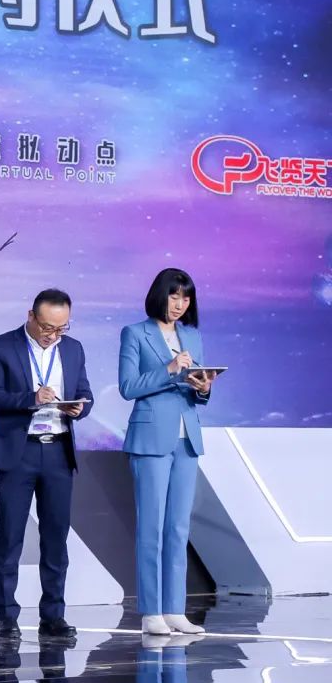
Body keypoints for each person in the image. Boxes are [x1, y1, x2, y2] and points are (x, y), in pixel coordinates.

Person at [0, 289, 93, 641]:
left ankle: (53, 615)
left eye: (61, 328)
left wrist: (80, 407)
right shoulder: (2, 345)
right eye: (47, 327)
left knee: (56, 537)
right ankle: (7, 617)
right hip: (19, 451)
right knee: (10, 536)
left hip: (58, 450)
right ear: (31, 316)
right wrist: (31, 398)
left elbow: (86, 392)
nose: (53, 335)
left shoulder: (73, 349)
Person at [119, 268, 216, 636]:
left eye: (186, 298)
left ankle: (175, 609)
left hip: (186, 438)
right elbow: (128, 387)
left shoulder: (192, 335)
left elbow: (196, 391)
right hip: (150, 439)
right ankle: (151, 611)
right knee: (152, 526)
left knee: (178, 527)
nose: (180, 304)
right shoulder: (135, 333)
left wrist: (203, 387)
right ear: (160, 295)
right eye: (174, 296)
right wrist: (169, 368)